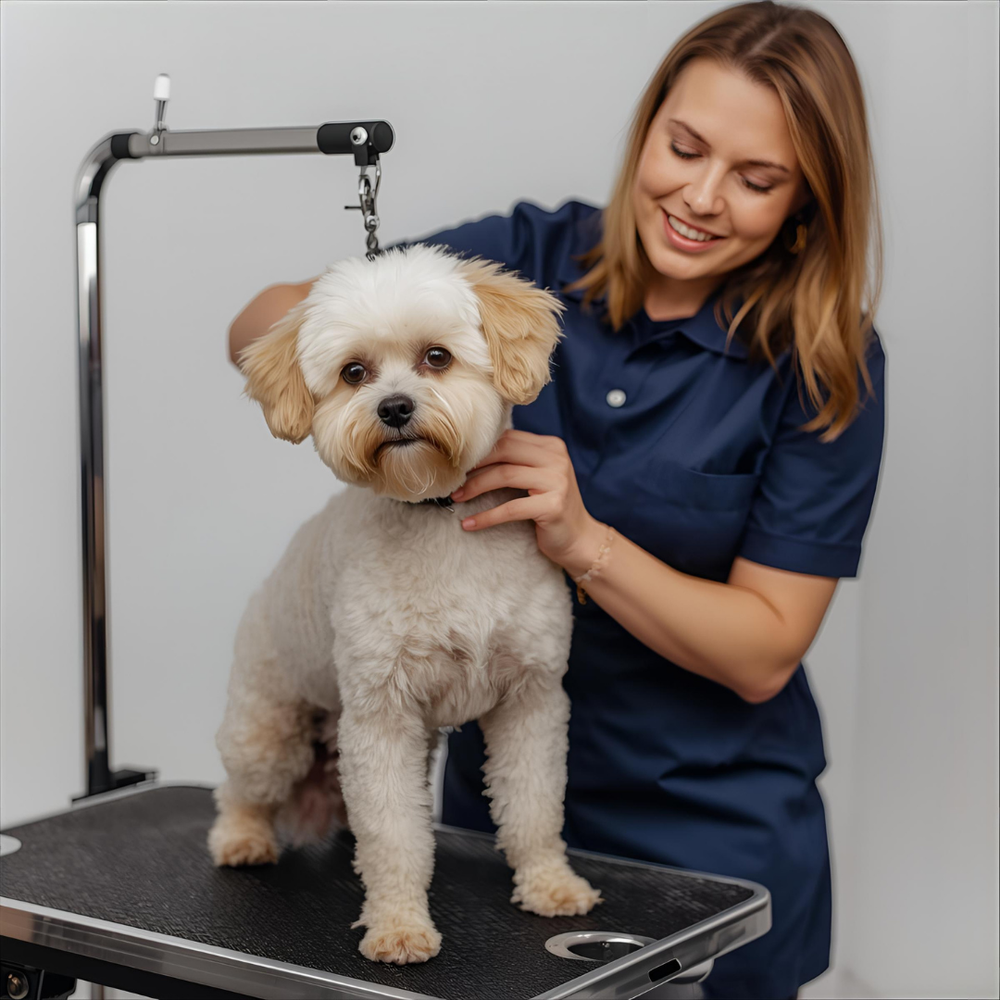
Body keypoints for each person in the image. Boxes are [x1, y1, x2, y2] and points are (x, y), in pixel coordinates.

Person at [226, 3, 886, 996]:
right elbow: (266, 322)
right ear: (646, 127)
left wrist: (582, 540)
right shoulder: (529, 256)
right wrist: (350, 367)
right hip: (485, 838)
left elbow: (764, 650)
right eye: (684, 146)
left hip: (712, 833)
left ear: (805, 201)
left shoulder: (822, 364)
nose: (702, 197)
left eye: (755, 180)